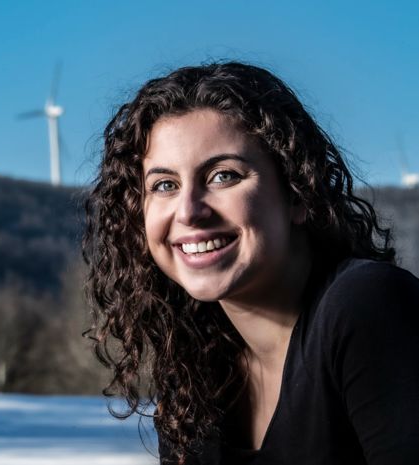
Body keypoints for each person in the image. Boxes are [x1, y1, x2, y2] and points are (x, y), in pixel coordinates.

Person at [83, 62, 419, 465]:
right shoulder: (193, 378)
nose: (189, 211)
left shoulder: (367, 305)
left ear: (298, 192)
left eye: (223, 176)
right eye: (165, 185)